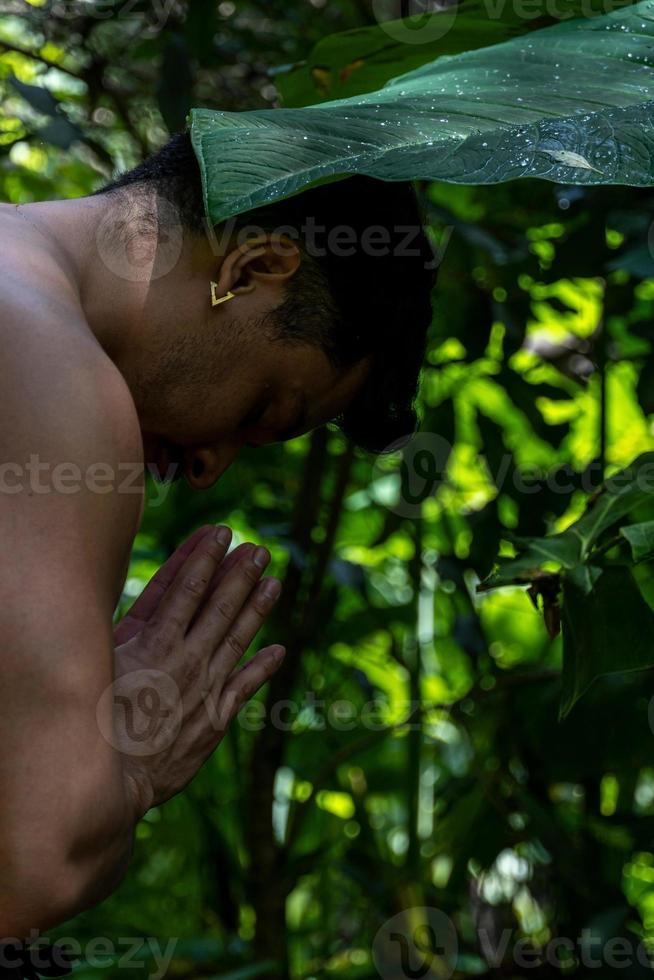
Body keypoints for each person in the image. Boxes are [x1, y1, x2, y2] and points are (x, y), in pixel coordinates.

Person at [0, 130, 435, 935]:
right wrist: (124, 775)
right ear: (252, 269)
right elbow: (27, 866)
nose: (208, 467)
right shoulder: (52, 376)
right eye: (264, 410)